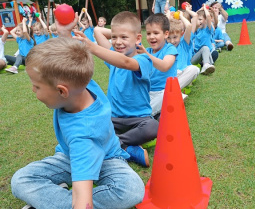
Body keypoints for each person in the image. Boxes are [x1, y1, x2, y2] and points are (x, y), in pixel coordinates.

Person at [11, 37, 145, 208]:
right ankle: (60, 198)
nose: (33, 90)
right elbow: (67, 56)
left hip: (109, 158)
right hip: (68, 156)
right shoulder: (81, 82)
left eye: (37, 87)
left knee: (131, 191)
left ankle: (55, 199)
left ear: (62, 91)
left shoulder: (84, 137)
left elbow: (84, 199)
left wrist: (79, 202)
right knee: (21, 180)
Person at [74, 11, 159, 168]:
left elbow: (126, 62)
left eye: (124, 37)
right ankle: (127, 148)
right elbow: (98, 30)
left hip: (139, 119)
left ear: (138, 39)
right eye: (114, 37)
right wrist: (121, 32)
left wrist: (92, 46)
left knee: (154, 127)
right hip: (113, 118)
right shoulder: (113, 55)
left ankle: (115, 144)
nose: (118, 42)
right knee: (89, 127)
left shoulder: (144, 59)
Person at [137, 13, 178, 118]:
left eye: (156, 33)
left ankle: (145, 116)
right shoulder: (148, 51)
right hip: (148, 92)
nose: (151, 37)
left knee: (168, 97)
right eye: (148, 33)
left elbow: (165, 66)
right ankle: (155, 115)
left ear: (166, 34)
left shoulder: (170, 49)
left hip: (164, 92)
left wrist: (146, 54)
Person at [166, 13, 200, 90]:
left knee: (195, 69)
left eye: (175, 37)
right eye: (168, 38)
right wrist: (169, 17)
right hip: (169, 75)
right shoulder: (166, 46)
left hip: (182, 73)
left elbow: (189, 26)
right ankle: (175, 90)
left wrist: (181, 16)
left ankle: (173, 89)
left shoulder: (184, 43)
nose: (172, 41)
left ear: (181, 34)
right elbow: (163, 27)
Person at [186, 5, 216, 75]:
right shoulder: (196, 30)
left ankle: (206, 65)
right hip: (196, 56)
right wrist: (201, 9)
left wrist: (205, 8)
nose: (198, 21)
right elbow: (194, 17)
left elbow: (208, 16)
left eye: (200, 19)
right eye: (198, 20)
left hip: (207, 53)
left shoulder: (208, 29)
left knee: (206, 49)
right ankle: (206, 65)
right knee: (205, 49)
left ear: (205, 20)